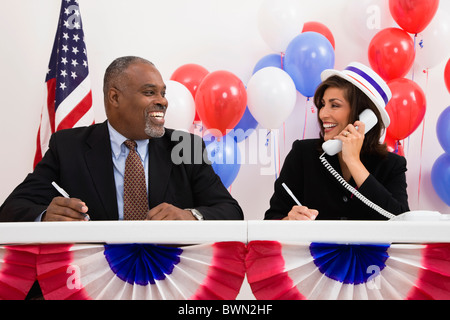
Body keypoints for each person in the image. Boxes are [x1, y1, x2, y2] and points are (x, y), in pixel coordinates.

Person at [0, 56, 243, 222]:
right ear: (114, 98)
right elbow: (11, 209)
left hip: (166, 279)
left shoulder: (186, 146)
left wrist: (190, 216)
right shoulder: (68, 147)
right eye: (149, 92)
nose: (162, 101)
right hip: (91, 283)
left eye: (162, 93)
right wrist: (45, 215)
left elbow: (231, 211)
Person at [265, 62, 410, 221]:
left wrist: (353, 161)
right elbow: (272, 219)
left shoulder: (392, 165)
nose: (322, 114)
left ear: (363, 115)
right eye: (322, 105)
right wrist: (287, 221)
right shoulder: (302, 154)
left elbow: (401, 222)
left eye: (334, 105)